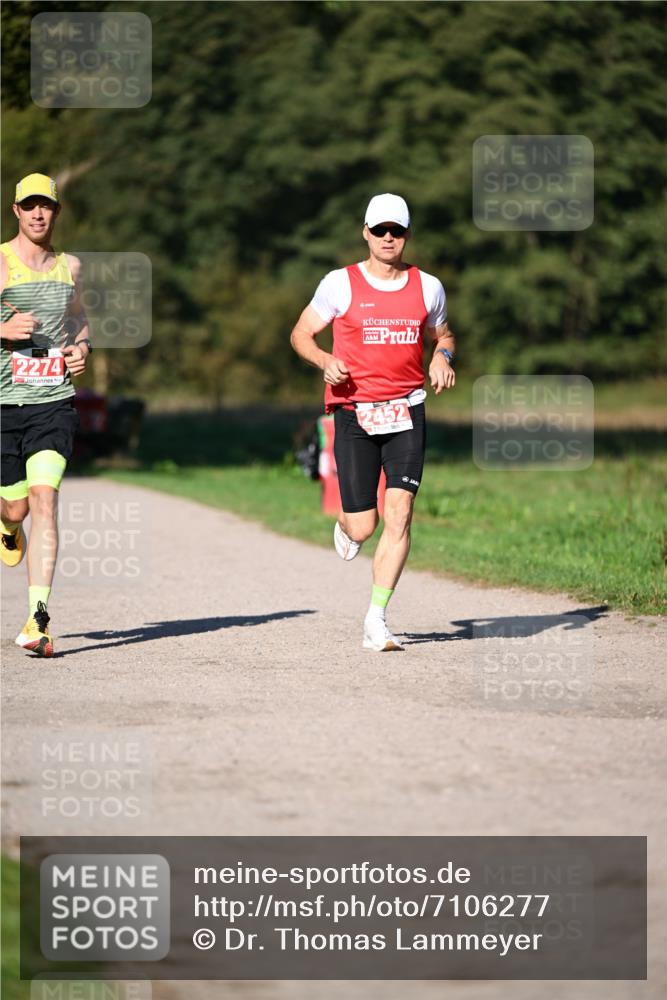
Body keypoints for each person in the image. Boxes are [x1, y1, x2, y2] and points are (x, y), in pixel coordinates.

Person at [290, 193, 455, 651]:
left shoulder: (428, 287)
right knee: (364, 525)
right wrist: (324, 360)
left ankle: (376, 619)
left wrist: (442, 356)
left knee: (400, 513)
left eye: (396, 231)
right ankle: (348, 526)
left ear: (407, 235)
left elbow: (443, 334)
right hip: (354, 412)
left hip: (407, 408)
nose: (388, 238)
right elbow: (300, 334)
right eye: (379, 229)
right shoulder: (339, 284)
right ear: (365, 232)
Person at [0, 173, 92, 657]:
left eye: (47, 206)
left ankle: (38, 619)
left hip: (52, 402)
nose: (38, 214)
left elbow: (78, 319)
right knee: (15, 509)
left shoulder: (69, 267)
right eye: (30, 206)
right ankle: (7, 527)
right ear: (16, 210)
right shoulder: (1, 263)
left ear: (56, 211)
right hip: (3, 406)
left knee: (44, 499)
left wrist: (82, 347)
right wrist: (3, 328)